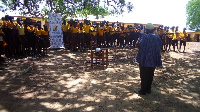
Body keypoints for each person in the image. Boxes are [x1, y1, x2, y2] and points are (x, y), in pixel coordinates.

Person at [135, 23, 162, 95]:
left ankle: (143, 90)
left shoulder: (144, 36)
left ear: (146, 30)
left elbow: (138, 45)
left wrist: (139, 37)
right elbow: (160, 46)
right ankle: (148, 89)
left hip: (145, 58)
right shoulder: (157, 37)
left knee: (143, 75)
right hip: (153, 58)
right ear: (153, 30)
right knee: (151, 74)